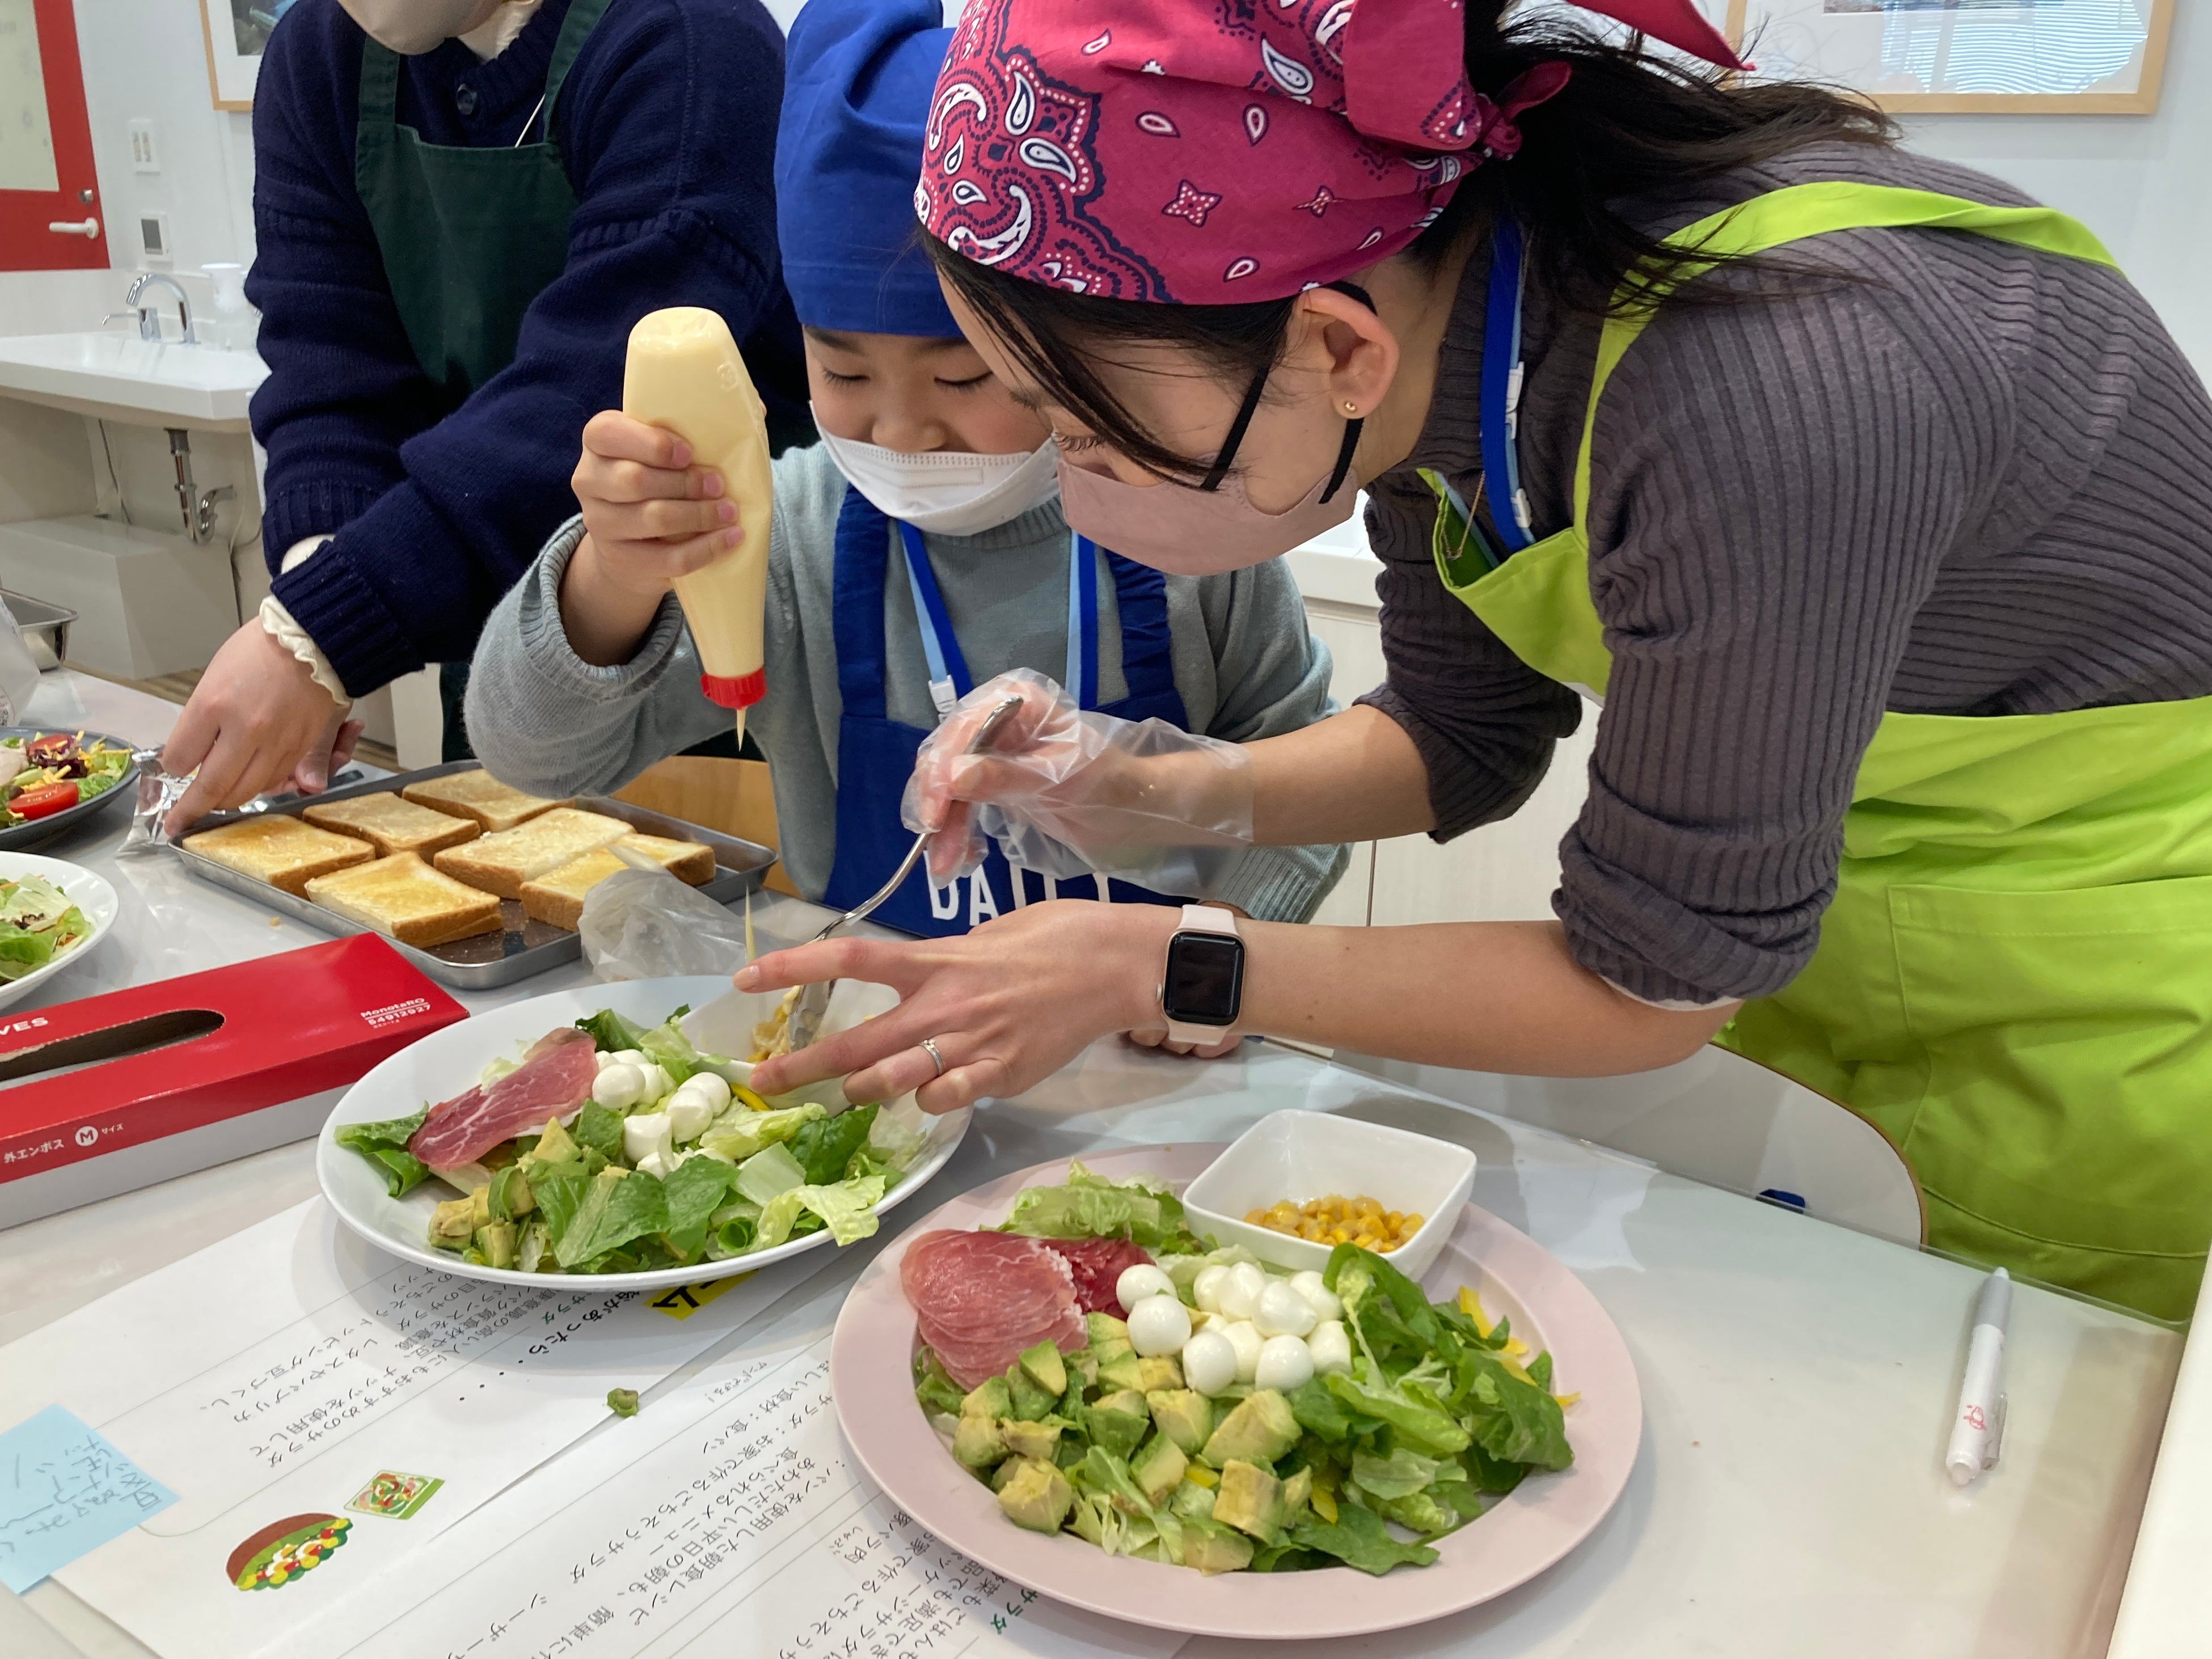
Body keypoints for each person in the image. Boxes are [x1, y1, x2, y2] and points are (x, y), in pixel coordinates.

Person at [740, 0, 2212, 1320]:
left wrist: (1170, 955)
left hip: (2094, 999)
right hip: (1834, 939)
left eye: (1089, 425)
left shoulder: (1770, 380)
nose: (1070, 475)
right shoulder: (1439, 324)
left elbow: (1647, 986)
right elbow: (1457, 735)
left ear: (1331, 348)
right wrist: (1150, 788)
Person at [465, 0, 1348, 1020]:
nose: (903, 432)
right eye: (841, 369)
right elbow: (530, 755)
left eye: (965, 378)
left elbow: (1305, 779)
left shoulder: (1192, 518)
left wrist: (1207, 961)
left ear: (1057, 349)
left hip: (1146, 1060)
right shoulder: (782, 534)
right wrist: (615, 576)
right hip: (877, 1073)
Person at [161, 0, 812, 829]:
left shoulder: (687, 36)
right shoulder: (322, 59)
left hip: (730, 638)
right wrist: (320, 611)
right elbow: (330, 368)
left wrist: (322, 631)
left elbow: (593, 385)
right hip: (507, 651)